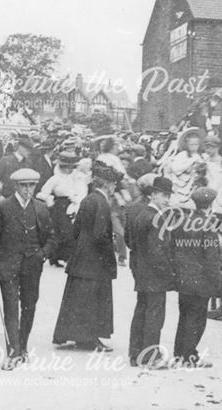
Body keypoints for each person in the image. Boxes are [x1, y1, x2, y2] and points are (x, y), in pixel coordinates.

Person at [0, 168, 57, 370]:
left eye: (31, 186)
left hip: (32, 267)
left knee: (29, 306)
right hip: (7, 267)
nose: (27, 190)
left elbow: (52, 237)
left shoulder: (41, 208)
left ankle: (23, 346)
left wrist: (43, 254)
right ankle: (13, 351)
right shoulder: (3, 207)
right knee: (10, 308)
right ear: (16, 186)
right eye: (24, 186)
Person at [52, 163, 122, 351]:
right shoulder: (101, 203)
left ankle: (78, 336)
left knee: (78, 299)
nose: (115, 187)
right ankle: (89, 339)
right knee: (92, 301)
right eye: (113, 184)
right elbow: (100, 236)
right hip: (95, 262)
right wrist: (110, 255)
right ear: (107, 184)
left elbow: (76, 230)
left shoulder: (88, 199)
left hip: (82, 258)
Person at [127, 176, 176, 369]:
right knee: (155, 315)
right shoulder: (156, 218)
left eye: (169, 196)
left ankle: (135, 353)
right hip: (155, 275)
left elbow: (132, 244)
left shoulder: (141, 214)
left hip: (142, 272)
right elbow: (158, 252)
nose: (167, 200)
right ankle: (151, 356)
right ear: (153, 194)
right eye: (164, 195)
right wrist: (170, 273)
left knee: (141, 311)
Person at [171, 187, 221, 368]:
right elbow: (211, 258)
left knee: (184, 316)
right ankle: (189, 356)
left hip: (184, 279)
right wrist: (216, 283)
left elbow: (174, 248)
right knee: (197, 319)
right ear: (211, 204)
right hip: (200, 281)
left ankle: (180, 354)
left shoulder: (183, 220)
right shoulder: (208, 225)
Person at [39, 150, 83, 267]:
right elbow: (43, 193)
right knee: (62, 232)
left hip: (73, 205)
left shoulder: (75, 178)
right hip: (59, 207)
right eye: (66, 167)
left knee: (74, 231)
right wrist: (50, 200)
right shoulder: (55, 179)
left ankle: (67, 256)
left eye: (71, 167)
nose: (69, 169)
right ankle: (56, 257)